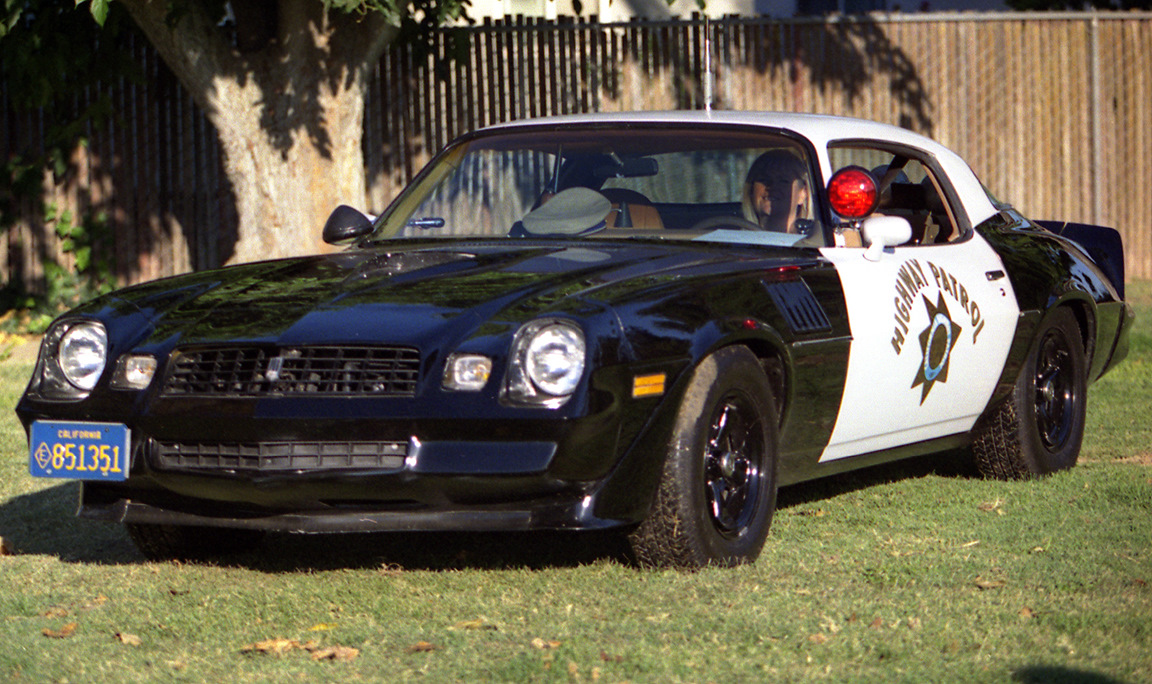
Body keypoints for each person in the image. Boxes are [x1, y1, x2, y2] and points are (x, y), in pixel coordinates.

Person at [742, 150, 812, 234]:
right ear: (751, 191)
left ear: (803, 194)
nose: (772, 186)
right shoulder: (733, 239)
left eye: (783, 181)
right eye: (764, 179)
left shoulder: (814, 243)